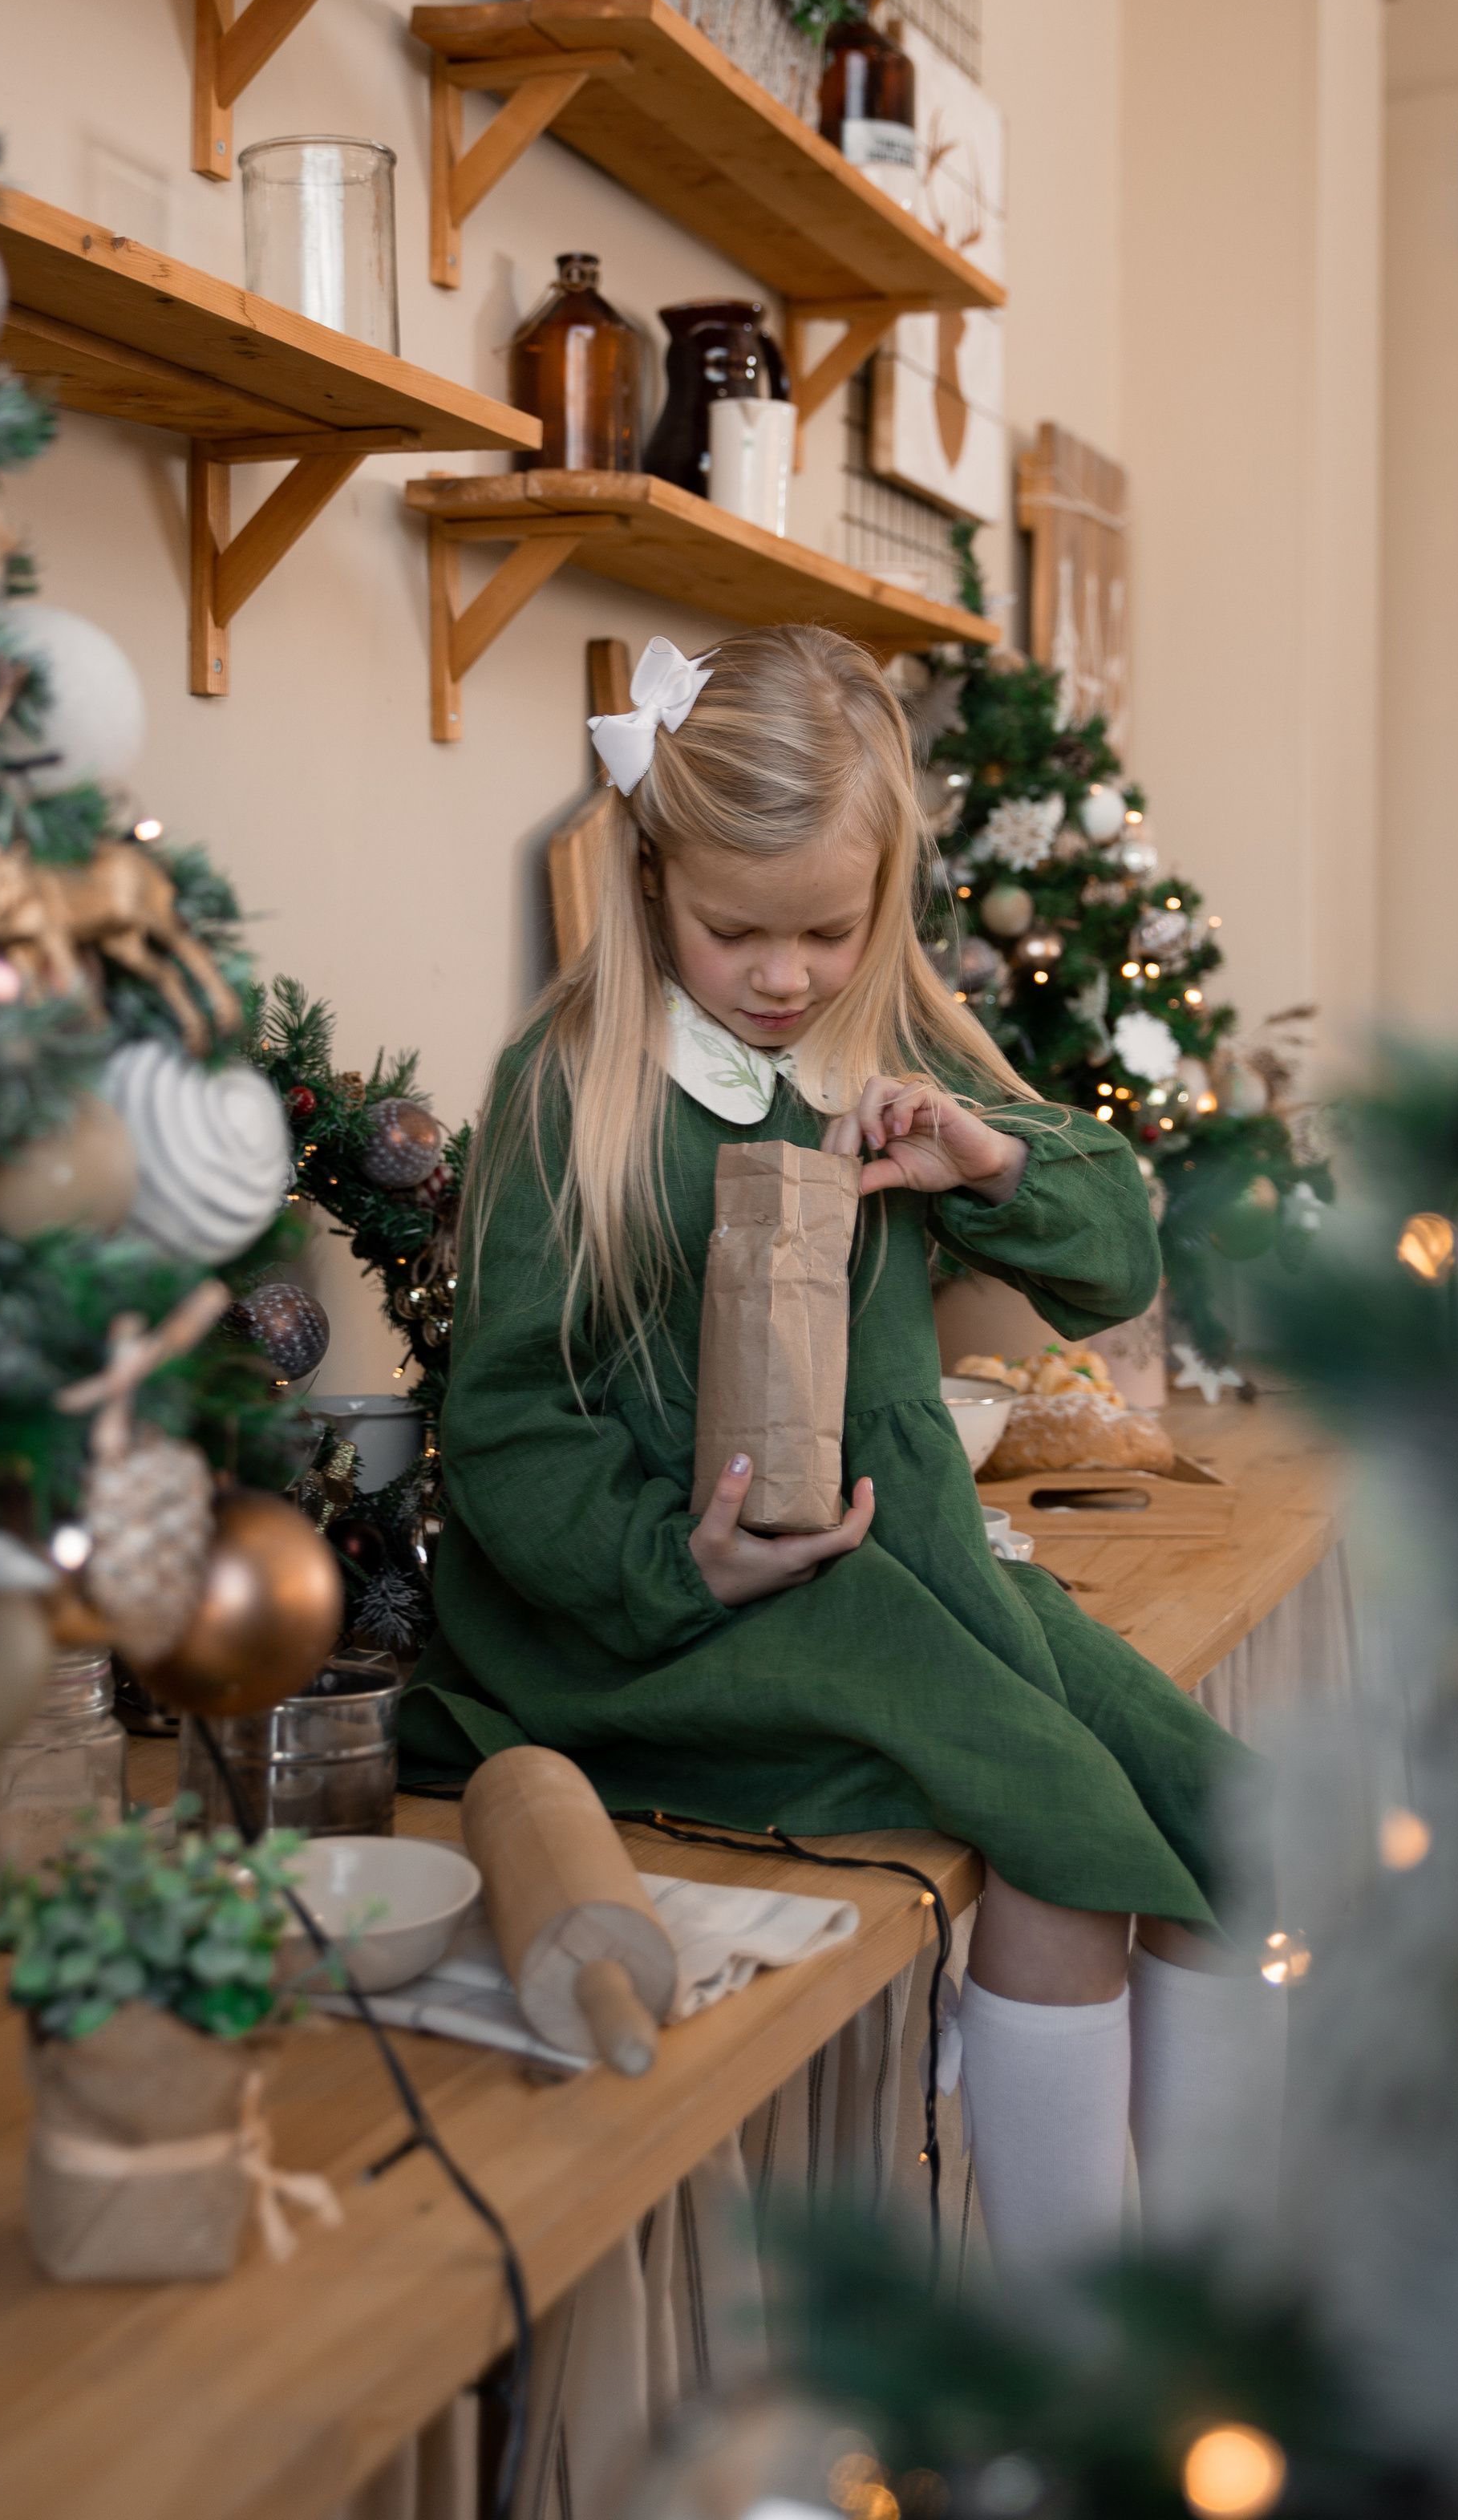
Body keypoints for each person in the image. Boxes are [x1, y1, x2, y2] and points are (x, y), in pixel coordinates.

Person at [401, 626, 1283, 2264]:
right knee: (1067, 1836)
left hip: (913, 1561)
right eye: (736, 929)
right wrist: (681, 1561)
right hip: (670, 1621)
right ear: (651, 872)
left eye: (830, 925)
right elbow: (511, 1431)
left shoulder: (889, 1049)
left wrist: (985, 1162)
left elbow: (1112, 1257)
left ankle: (1205, 2310)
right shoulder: (566, 1091)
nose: (786, 973)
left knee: (1227, 1820)